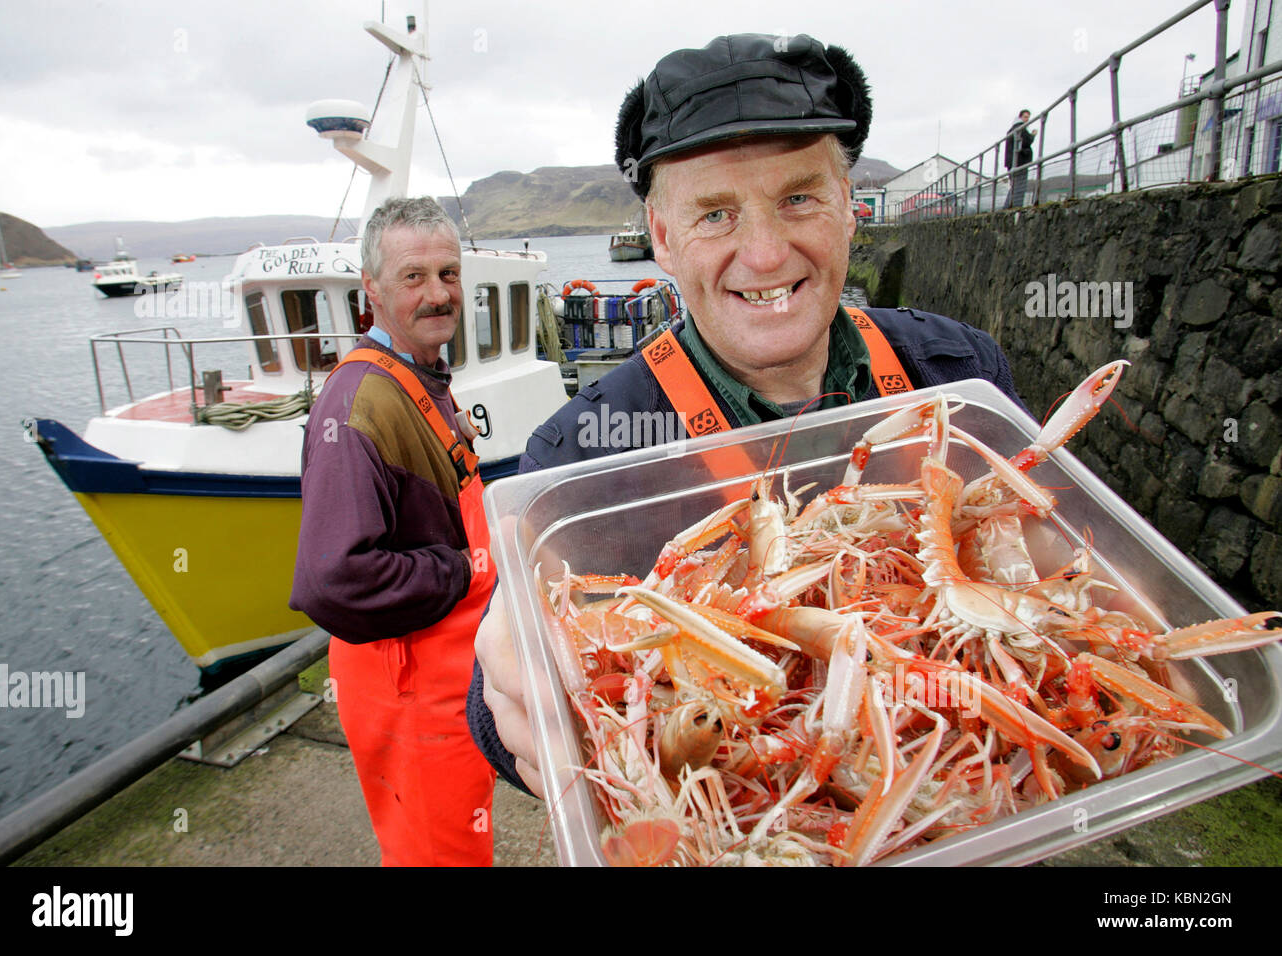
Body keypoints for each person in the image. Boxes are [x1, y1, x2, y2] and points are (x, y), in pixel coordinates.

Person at [467, 34, 1029, 797]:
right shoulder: (576, 455)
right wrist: (506, 695)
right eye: (716, 214)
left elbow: (1043, 561)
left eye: (799, 197)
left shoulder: (959, 373)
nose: (765, 255)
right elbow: (505, 691)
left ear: (850, 211)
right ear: (662, 238)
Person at [290, 196, 496, 866]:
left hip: (449, 686)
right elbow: (333, 579)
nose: (437, 294)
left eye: (448, 273)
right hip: (409, 698)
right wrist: (463, 572)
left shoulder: (419, 377)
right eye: (414, 277)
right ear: (371, 290)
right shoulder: (358, 405)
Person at [1004, 108, 1036, 209]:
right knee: (1019, 186)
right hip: (1019, 162)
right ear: (1020, 117)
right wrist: (1033, 135)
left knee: (1015, 186)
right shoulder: (1020, 128)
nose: (1027, 119)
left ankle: (1008, 208)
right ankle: (1014, 207)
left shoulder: (1012, 129)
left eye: (1028, 118)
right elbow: (1027, 141)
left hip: (1012, 162)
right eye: (1025, 117)